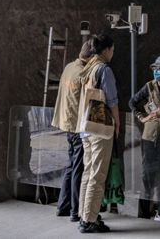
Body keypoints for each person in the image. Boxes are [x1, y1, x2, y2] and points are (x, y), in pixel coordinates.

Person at [77, 34, 119, 234]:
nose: (113, 53)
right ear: (107, 50)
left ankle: (84, 215)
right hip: (99, 127)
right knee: (97, 174)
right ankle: (90, 220)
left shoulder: (88, 68)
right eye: (112, 49)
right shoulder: (104, 69)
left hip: (85, 126)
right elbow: (111, 100)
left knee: (88, 172)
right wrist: (117, 123)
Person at [129, 55, 160, 222]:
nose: (157, 72)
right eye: (155, 69)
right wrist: (141, 117)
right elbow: (133, 102)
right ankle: (143, 213)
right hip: (149, 138)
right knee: (147, 175)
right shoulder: (149, 87)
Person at [52, 40, 94, 222]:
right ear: (91, 57)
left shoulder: (69, 67)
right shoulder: (84, 73)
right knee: (78, 167)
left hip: (66, 123)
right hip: (77, 126)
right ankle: (75, 210)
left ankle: (63, 205)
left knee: (71, 165)